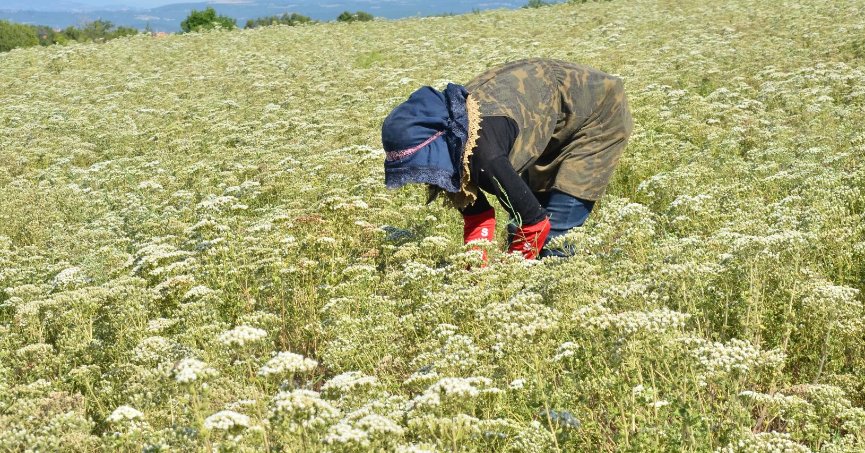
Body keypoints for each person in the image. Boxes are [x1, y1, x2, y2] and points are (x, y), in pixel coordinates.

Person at [382, 58, 633, 261]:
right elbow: (478, 218)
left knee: (554, 238)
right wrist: (471, 271)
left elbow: (535, 224)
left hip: (595, 115)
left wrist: (506, 279)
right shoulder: (452, 141)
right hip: (548, 114)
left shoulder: (484, 154)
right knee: (518, 226)